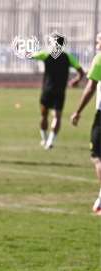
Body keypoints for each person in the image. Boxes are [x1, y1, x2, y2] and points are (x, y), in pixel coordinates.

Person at [31, 33, 85, 149]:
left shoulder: (46, 54)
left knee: (44, 116)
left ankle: (44, 139)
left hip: (47, 90)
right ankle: (50, 141)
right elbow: (81, 72)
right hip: (60, 91)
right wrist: (76, 80)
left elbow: (31, 55)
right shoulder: (68, 56)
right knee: (57, 116)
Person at [71, 32, 101, 215]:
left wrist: (78, 111)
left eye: (99, 40)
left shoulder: (100, 59)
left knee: (97, 157)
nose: (96, 43)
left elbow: (90, 88)